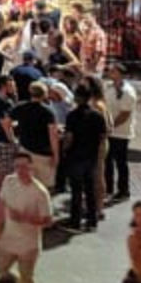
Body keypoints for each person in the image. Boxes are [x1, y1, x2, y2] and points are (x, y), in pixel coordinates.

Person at [0, 151, 52, 283]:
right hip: (8, 239)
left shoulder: (40, 192)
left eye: (24, 166)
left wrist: (25, 218)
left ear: (31, 167)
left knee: (26, 276)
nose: (20, 170)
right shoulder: (8, 182)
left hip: (29, 244)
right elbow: (1, 204)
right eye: (17, 166)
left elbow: (47, 220)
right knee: (1, 270)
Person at [61, 85, 107, 231]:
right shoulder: (97, 115)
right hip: (91, 156)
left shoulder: (72, 115)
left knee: (76, 190)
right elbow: (103, 136)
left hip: (76, 156)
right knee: (90, 189)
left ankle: (75, 221)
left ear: (77, 98)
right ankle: (92, 221)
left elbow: (69, 137)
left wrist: (64, 150)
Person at [103, 63, 138, 202]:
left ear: (120, 74)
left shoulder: (128, 92)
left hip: (121, 133)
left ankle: (123, 190)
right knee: (107, 161)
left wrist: (111, 126)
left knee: (120, 162)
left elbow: (125, 114)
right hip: (109, 131)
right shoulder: (109, 88)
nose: (110, 73)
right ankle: (108, 187)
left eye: (113, 71)